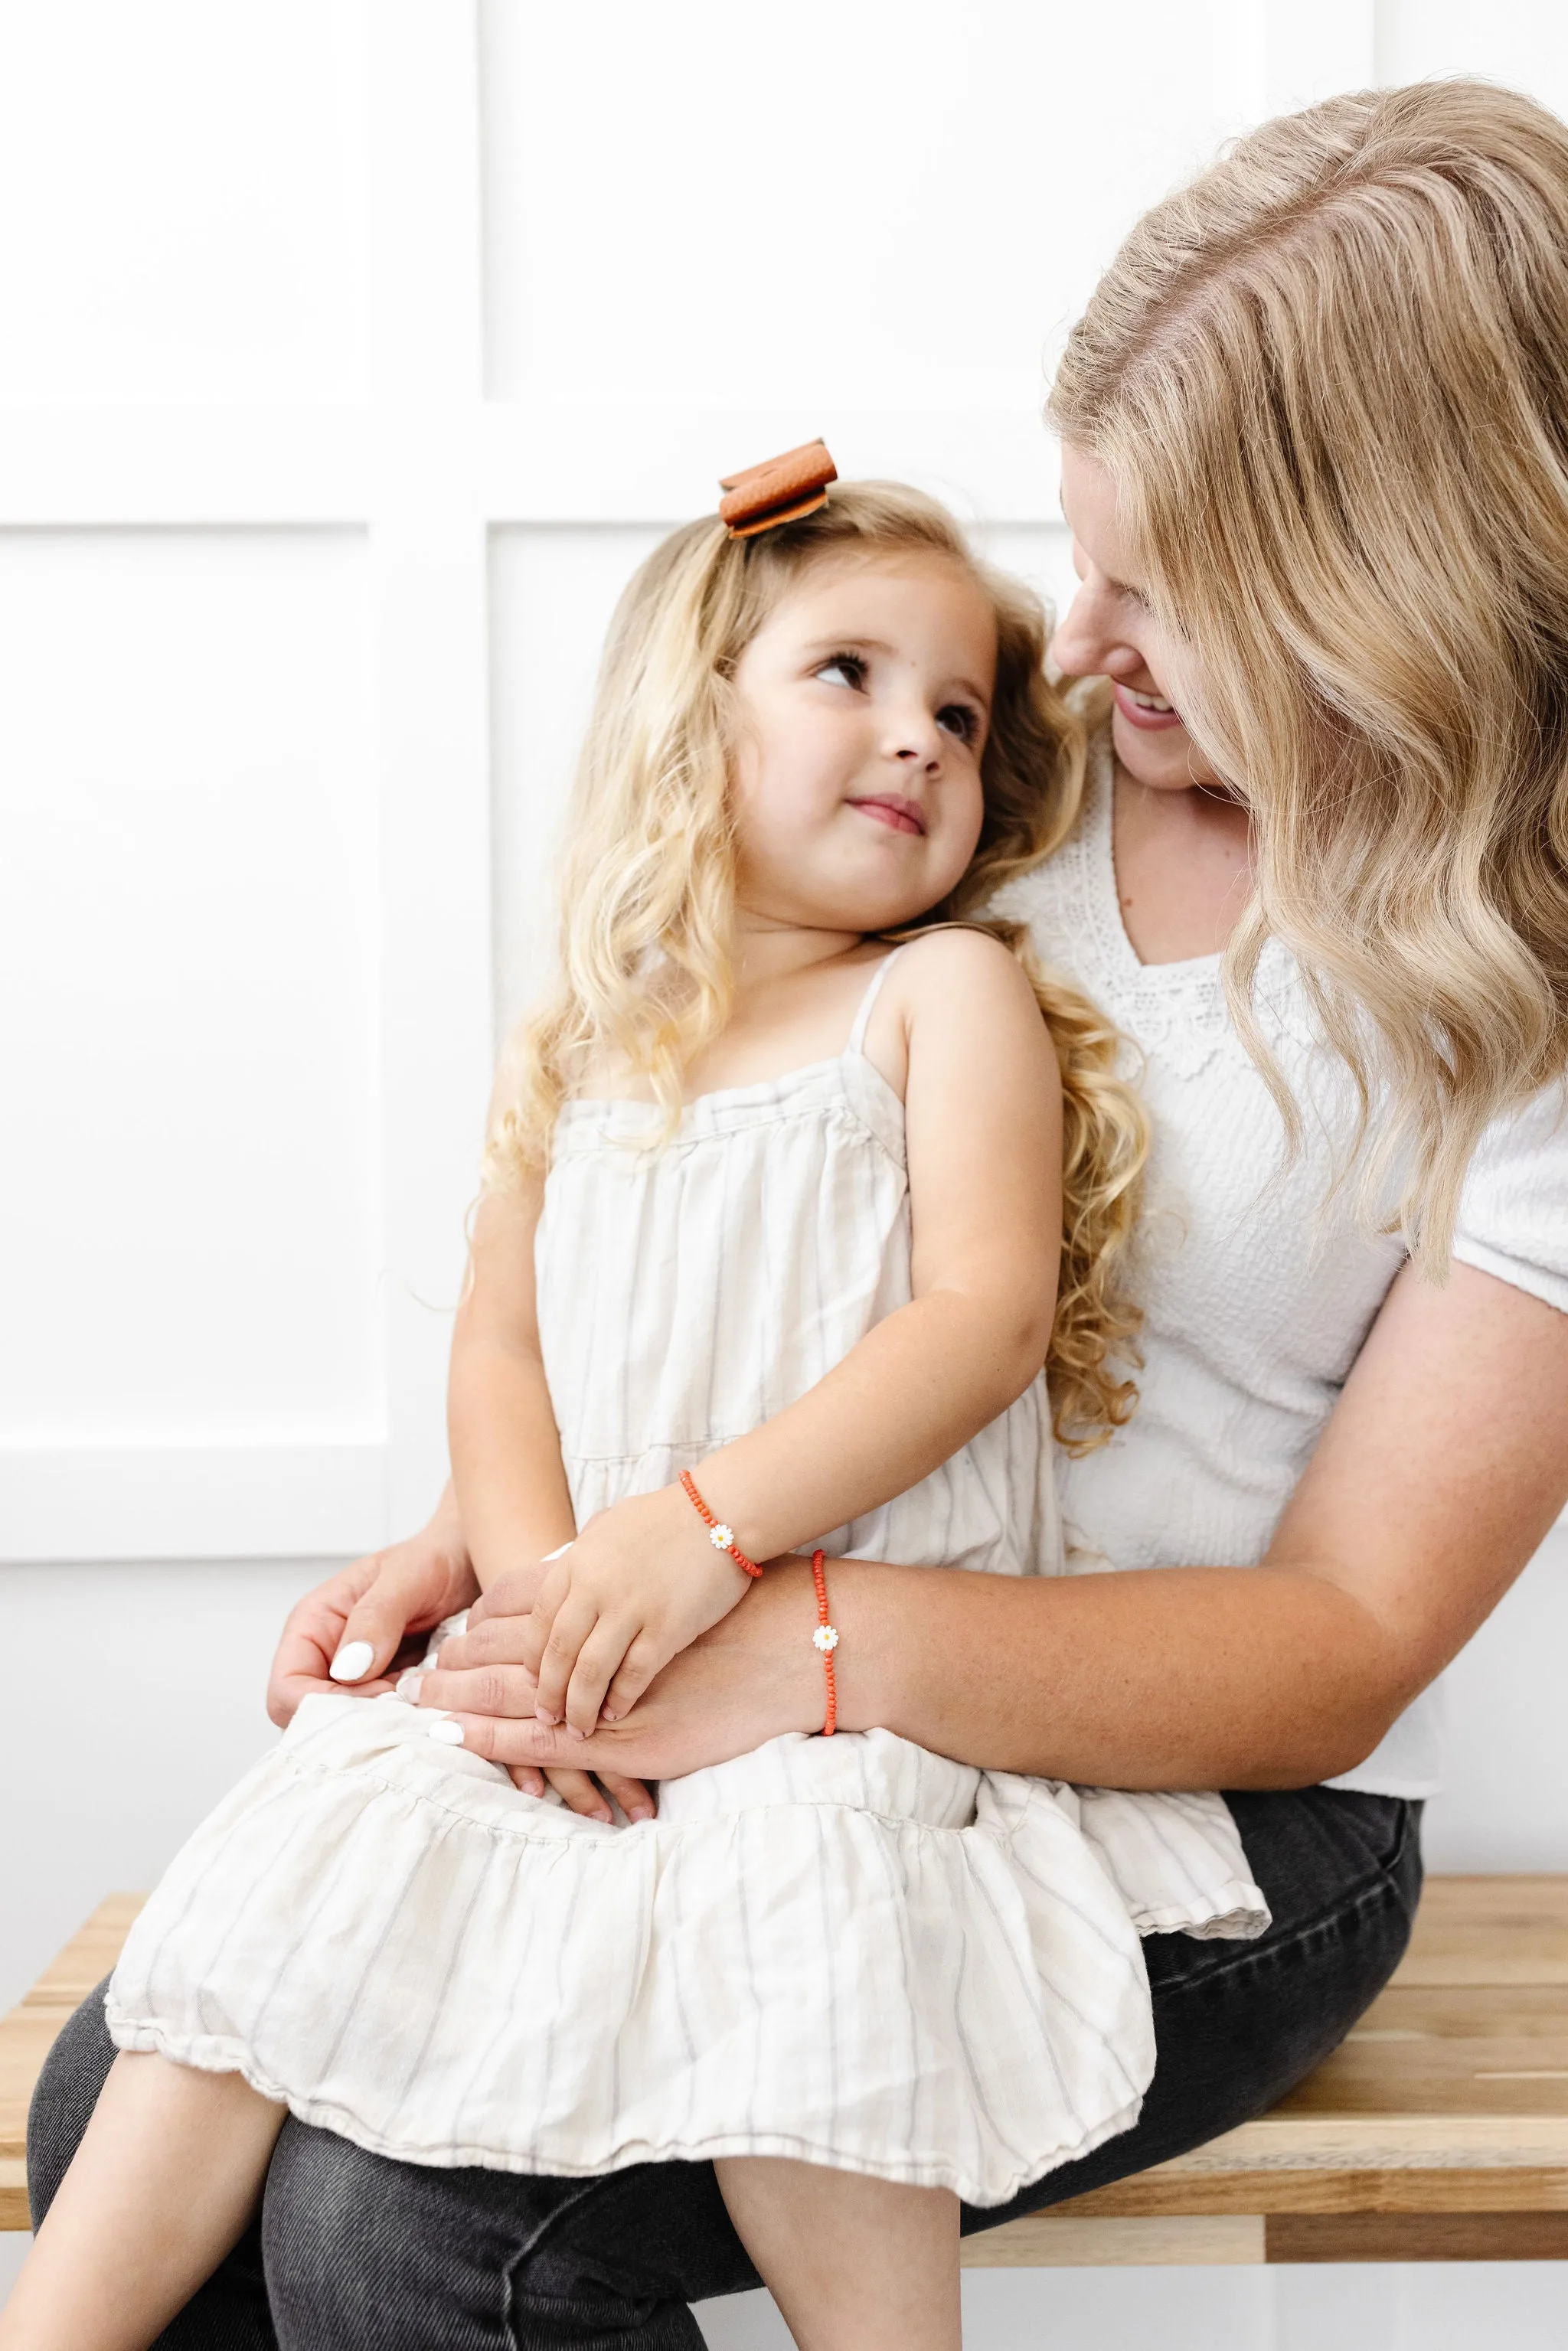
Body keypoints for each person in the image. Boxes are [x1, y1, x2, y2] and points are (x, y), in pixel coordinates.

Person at [28, 77, 1568, 2351]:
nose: (1075, 644)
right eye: (1087, 551)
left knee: (418, 2230)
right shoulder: (989, 790)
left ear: (1396, 594)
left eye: (1175, 590)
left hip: (1201, 1809)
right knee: (147, 2073)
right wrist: (522, 1551)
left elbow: (1345, 1637)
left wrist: (801, 1637)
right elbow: (711, 1202)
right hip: (775, 1656)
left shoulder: (1511, 1000)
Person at [7, 461, 1272, 2351]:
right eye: (846, 671)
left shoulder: (940, 999)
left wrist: (697, 1538)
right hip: (597, 1678)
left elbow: (982, 1314)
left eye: (956, 713)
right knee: (255, 1934)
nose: (916, 740)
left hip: (837, 1692)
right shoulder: (592, 1048)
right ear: (692, 718)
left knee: (800, 1954)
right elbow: (497, 1356)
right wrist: (538, 1631)